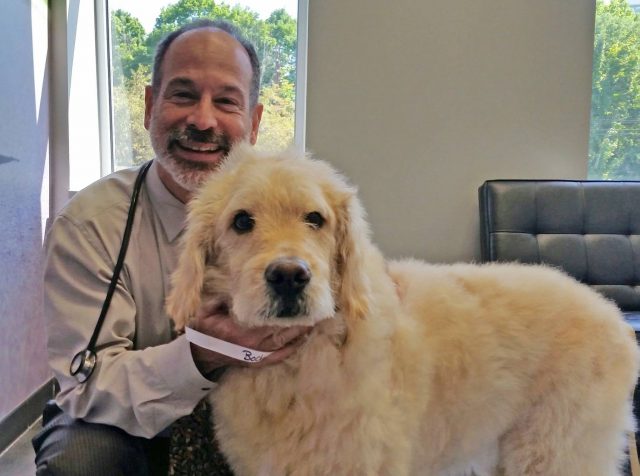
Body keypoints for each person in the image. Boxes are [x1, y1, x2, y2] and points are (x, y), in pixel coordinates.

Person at [32, 19, 310, 475]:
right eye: (182, 95)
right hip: (121, 424)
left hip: (263, 410)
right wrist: (203, 354)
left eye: (226, 101)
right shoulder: (89, 224)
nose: (202, 120)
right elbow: (88, 386)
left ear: (255, 122)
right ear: (149, 105)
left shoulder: (298, 209)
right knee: (80, 462)